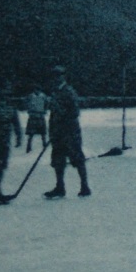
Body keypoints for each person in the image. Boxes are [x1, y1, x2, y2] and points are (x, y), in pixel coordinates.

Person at [44, 65, 90, 199]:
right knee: (58, 160)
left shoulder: (69, 92)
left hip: (70, 133)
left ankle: (85, 186)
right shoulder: (55, 92)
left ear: (63, 77)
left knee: (77, 159)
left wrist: (62, 116)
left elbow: (74, 112)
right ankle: (60, 187)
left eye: (58, 76)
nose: (55, 79)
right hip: (57, 133)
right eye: (54, 77)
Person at [24, 84, 48, 152]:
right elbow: (25, 103)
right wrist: (29, 110)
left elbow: (47, 104)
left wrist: (45, 110)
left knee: (43, 132)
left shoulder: (43, 96)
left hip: (40, 115)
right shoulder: (30, 96)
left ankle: (44, 144)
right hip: (33, 116)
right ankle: (28, 146)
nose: (37, 91)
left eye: (38, 90)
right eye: (35, 90)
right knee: (31, 133)